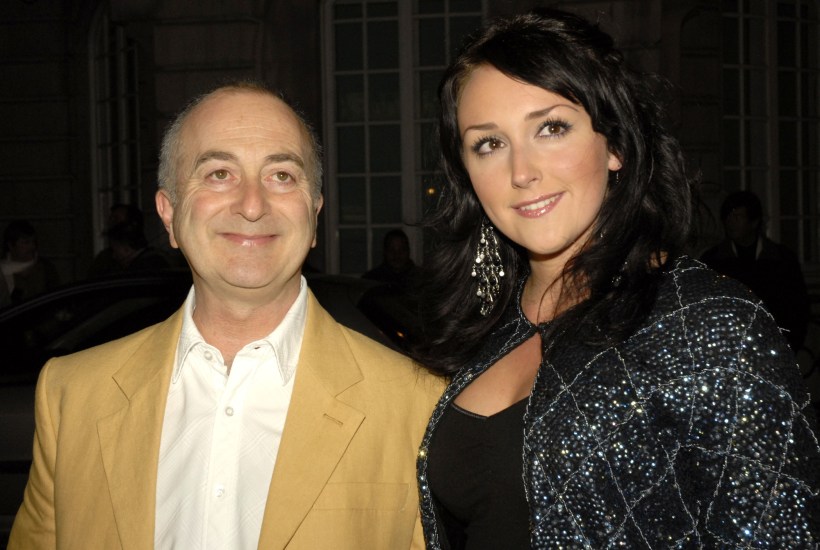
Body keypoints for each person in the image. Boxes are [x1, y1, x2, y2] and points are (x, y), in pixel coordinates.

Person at [411, 9, 819, 549]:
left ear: (616, 145)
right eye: (489, 143)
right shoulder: (483, 325)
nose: (521, 172)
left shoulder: (708, 324)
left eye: (551, 128)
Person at [9, 81, 443, 549]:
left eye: (281, 176)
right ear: (169, 213)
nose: (252, 205)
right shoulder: (72, 396)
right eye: (219, 173)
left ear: (314, 215)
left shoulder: (417, 404)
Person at [701, 190, 810, 352]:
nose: (730, 222)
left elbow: (796, 307)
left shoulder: (782, 259)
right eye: (728, 216)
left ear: (754, 222)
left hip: (773, 346)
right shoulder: (713, 260)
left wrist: (789, 346)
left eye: (737, 217)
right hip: (729, 348)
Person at [0, 220, 58, 305]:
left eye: (33, 242)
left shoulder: (45, 268)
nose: (32, 247)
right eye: (26, 242)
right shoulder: (3, 271)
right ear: (11, 245)